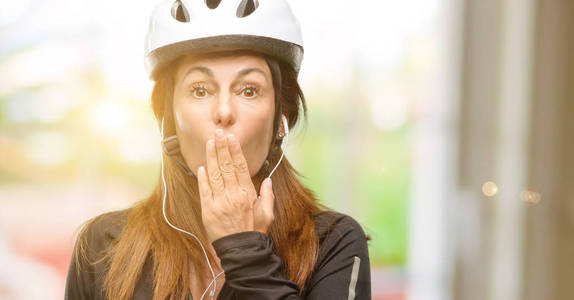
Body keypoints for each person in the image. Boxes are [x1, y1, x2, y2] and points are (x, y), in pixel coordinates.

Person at [65, 0, 371, 299]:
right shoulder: (102, 245)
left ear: (281, 120)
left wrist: (246, 251)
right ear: (168, 121)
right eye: (200, 90)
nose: (224, 111)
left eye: (249, 90)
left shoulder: (335, 243)